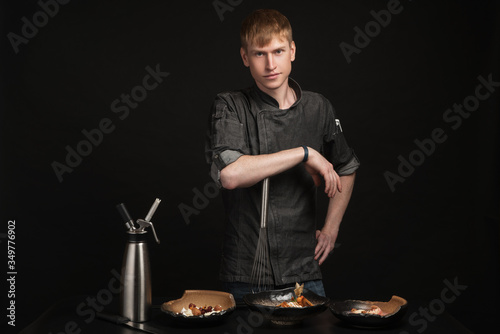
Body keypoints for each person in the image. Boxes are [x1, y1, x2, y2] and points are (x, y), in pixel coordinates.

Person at [205, 9, 359, 301]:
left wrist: (331, 228)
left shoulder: (319, 107)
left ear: (292, 51)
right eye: (260, 54)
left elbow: (347, 166)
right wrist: (305, 153)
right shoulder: (230, 105)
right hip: (247, 273)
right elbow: (231, 175)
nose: (271, 64)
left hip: (305, 271)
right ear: (244, 57)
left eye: (278, 51)